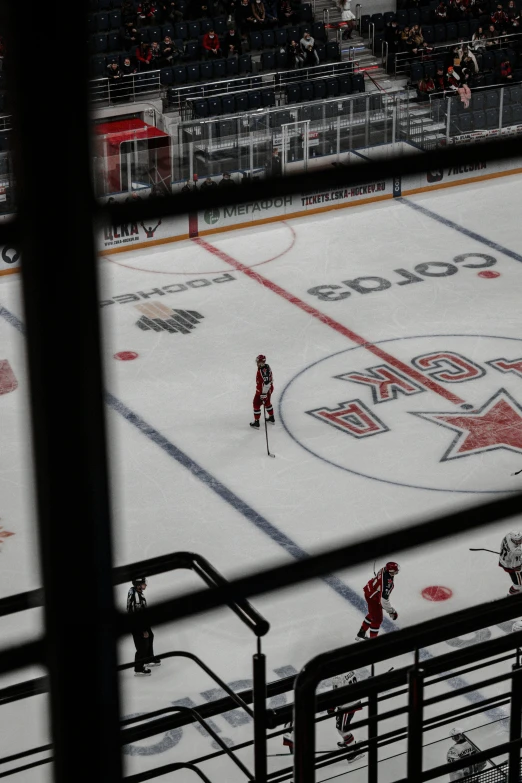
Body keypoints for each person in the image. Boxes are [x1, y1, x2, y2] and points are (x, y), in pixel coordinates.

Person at [356, 562, 399, 641]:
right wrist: (392, 611)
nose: (396, 572)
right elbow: (384, 600)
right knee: (377, 619)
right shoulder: (387, 581)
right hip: (373, 597)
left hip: (370, 591)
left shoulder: (384, 569)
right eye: (394, 571)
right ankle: (373, 641)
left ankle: (362, 632)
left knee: (373, 613)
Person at [127, 577, 161, 675]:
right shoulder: (136, 597)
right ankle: (138, 669)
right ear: (138, 585)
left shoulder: (135, 591)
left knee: (150, 636)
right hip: (137, 625)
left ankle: (148, 659)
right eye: (143, 583)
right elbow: (136, 615)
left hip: (141, 622)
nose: (145, 585)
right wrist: (143, 630)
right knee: (142, 645)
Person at [328, 671, 364, 763]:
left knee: (342, 729)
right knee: (344, 726)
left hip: (346, 706)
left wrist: (331, 707)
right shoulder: (349, 669)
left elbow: (336, 694)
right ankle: (348, 742)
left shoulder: (337, 677)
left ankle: (354, 751)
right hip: (353, 701)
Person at [250, 354, 274, 428]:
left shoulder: (262, 371)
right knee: (267, 403)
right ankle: (271, 417)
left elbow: (266, 383)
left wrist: (263, 394)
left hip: (262, 391)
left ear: (261, 362)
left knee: (256, 404)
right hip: (269, 389)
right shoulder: (267, 366)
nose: (257, 363)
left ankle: (256, 422)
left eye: (258, 361)